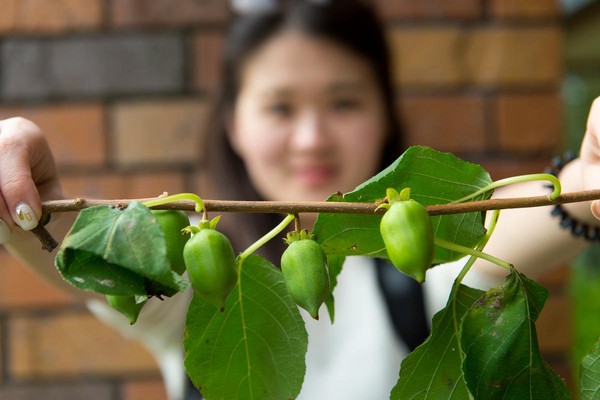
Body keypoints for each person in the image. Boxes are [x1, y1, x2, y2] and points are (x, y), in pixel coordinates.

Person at [0, 1, 599, 399]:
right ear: (233, 123)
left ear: (384, 112)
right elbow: (103, 261)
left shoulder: (424, 269)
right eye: (280, 107)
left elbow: (505, 231)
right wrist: (32, 202)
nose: (311, 139)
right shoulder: (186, 287)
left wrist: (586, 175)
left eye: (344, 103)